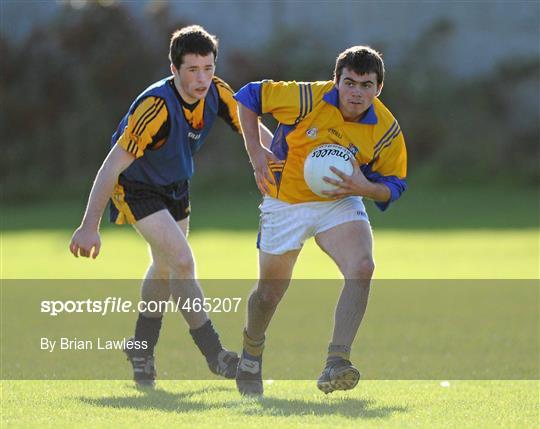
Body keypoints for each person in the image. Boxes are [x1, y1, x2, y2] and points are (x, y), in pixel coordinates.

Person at [69, 25, 273, 388]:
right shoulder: (156, 106)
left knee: (164, 268)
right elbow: (112, 165)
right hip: (136, 186)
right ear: (174, 69)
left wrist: (281, 161)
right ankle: (215, 354)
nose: (202, 78)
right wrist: (89, 226)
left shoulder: (218, 93)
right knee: (181, 261)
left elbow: (251, 129)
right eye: (192, 70)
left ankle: (141, 348)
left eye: (208, 68)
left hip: (176, 185)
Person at [233, 46, 407, 395]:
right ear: (336, 81)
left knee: (362, 266)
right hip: (286, 201)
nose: (357, 92)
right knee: (268, 294)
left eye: (366, 85)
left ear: (378, 89)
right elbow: (249, 96)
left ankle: (336, 362)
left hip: (338, 202)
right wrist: (256, 154)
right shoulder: (306, 98)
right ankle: (251, 352)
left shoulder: (385, 128)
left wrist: (364, 187)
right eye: (350, 82)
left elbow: (395, 185)